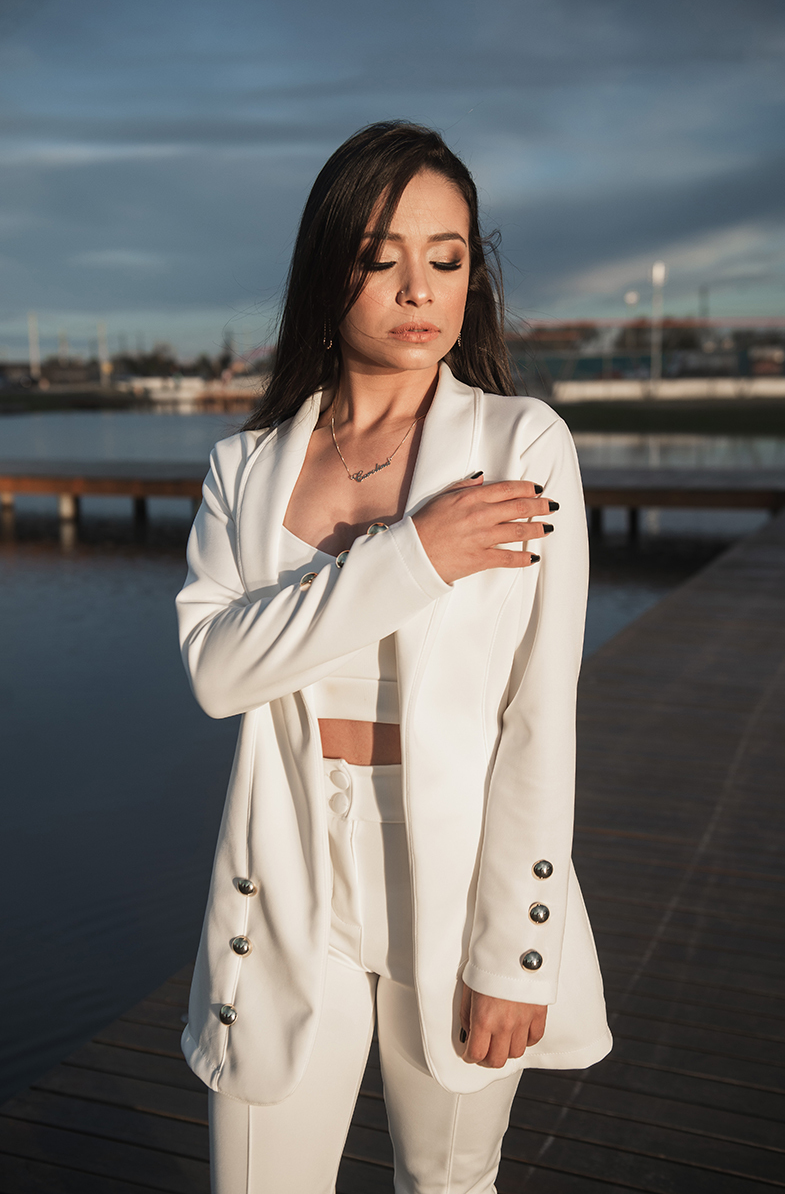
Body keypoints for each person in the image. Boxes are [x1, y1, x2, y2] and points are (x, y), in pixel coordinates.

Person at [176, 121, 612, 1194]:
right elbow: (219, 672)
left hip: (459, 888)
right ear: (329, 272)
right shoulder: (245, 472)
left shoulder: (522, 446)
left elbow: (538, 716)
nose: (420, 288)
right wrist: (412, 554)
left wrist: (517, 950)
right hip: (287, 880)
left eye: (448, 258)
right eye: (382, 258)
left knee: (448, 1185)